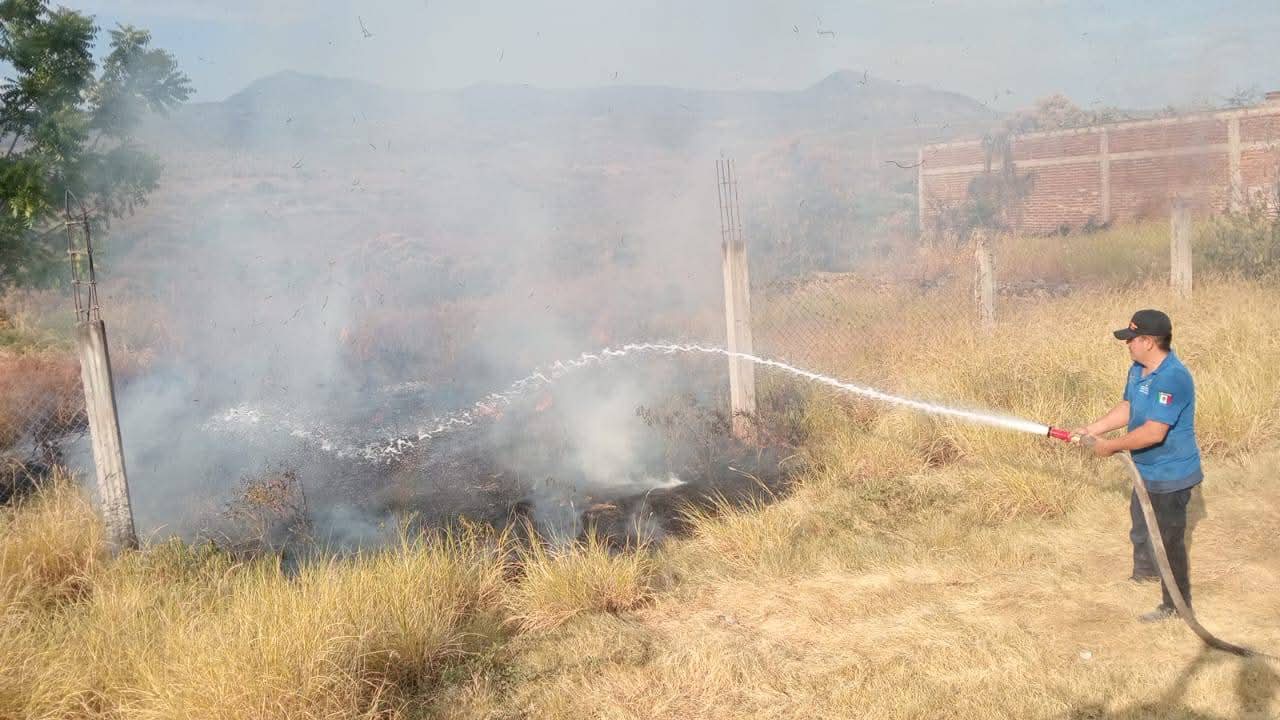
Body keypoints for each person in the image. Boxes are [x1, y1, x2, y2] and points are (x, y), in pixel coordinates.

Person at [1073, 309, 1202, 623]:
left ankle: (1175, 606)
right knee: (1141, 526)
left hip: (1172, 474)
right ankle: (1144, 575)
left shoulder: (1173, 377)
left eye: (1131, 339)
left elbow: (1154, 432)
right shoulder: (1137, 369)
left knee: (1170, 540)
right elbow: (1128, 407)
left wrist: (1111, 447)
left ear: (1149, 341)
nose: (1126, 344)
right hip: (1145, 468)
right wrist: (1093, 430)